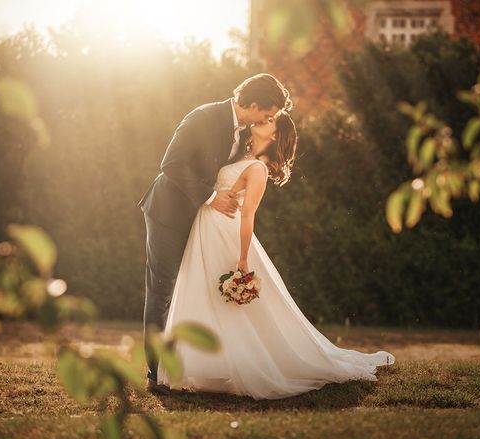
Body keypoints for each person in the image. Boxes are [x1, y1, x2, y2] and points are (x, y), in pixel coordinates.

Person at [156, 110, 395, 400]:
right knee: (204, 294)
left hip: (226, 234)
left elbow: (247, 217)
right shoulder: (235, 153)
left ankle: (250, 362)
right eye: (265, 116)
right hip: (205, 229)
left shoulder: (258, 169)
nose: (263, 120)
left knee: (232, 305)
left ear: (274, 135)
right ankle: (207, 366)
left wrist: (243, 258)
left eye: (270, 121)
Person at [137, 74, 292, 393]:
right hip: (168, 214)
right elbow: (171, 164)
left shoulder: (245, 135)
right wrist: (210, 196)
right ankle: (155, 373)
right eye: (268, 113)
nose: (269, 119)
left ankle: (196, 363)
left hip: (201, 223)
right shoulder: (203, 116)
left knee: (193, 289)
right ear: (251, 105)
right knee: (162, 289)